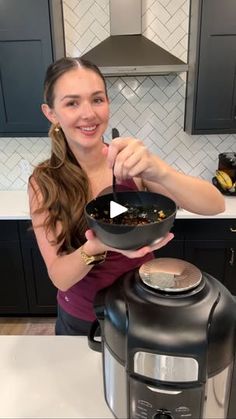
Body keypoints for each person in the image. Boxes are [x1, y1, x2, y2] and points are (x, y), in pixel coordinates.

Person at [28, 57, 225, 335]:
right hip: (84, 319)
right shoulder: (44, 181)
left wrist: (159, 170)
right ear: (51, 113)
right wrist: (97, 247)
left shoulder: (129, 163)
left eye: (97, 100)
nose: (89, 114)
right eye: (72, 103)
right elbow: (60, 277)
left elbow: (214, 205)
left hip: (142, 305)